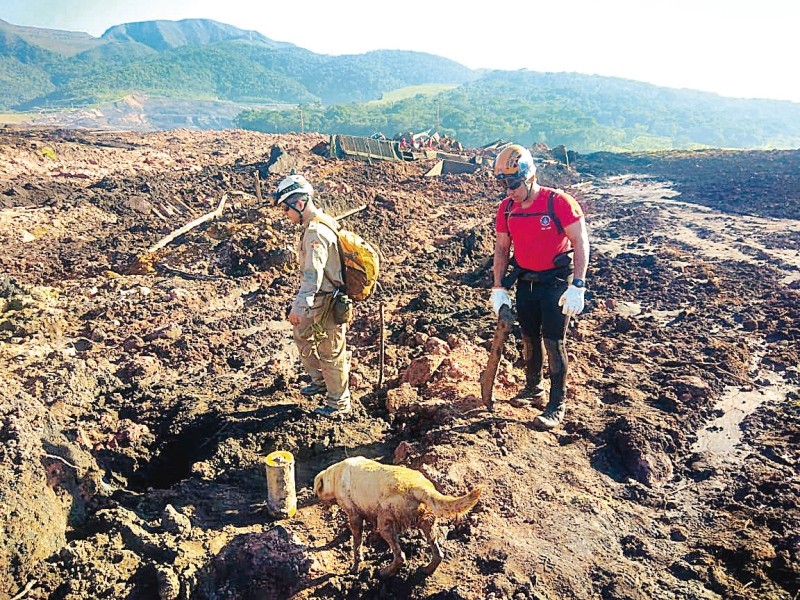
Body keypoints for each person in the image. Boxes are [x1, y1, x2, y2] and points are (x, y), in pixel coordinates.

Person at [490, 144, 590, 430]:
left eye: (513, 184)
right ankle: (533, 388)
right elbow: (501, 249)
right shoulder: (507, 209)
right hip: (526, 281)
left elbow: (580, 242)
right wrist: (498, 287)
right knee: (529, 336)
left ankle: (557, 404)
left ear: (529, 177)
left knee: (553, 340)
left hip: (556, 282)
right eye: (503, 185)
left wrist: (578, 285)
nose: (509, 191)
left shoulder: (558, 203)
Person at [273, 174, 352, 417]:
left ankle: (339, 403)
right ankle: (320, 381)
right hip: (318, 299)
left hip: (327, 300)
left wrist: (299, 307)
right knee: (302, 333)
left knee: (331, 352)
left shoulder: (316, 232)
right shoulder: (316, 224)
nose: (285, 214)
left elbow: (312, 276)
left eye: (286, 208)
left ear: (299, 204)